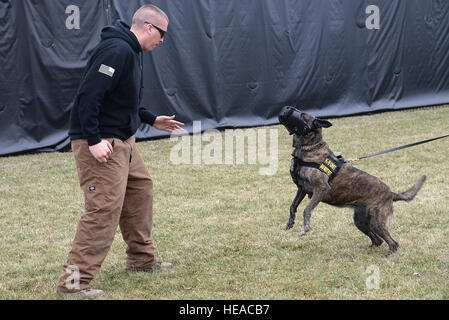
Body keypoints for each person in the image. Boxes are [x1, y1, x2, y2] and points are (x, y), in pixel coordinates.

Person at [56, 4, 184, 298]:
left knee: (140, 190)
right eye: (162, 34)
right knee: (102, 210)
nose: (162, 41)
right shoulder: (117, 50)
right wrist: (93, 140)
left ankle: (142, 261)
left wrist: (151, 119)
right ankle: (73, 284)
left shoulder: (131, 52)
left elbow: (120, 100)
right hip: (103, 142)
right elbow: (89, 95)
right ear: (149, 27)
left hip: (123, 140)